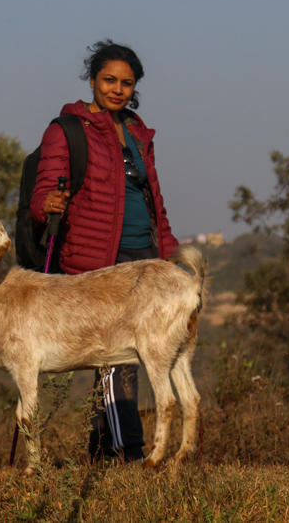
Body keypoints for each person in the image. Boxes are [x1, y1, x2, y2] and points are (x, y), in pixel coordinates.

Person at [30, 39, 179, 463]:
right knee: (118, 356)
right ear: (93, 80)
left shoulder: (137, 132)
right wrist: (47, 204)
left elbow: (155, 201)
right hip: (97, 261)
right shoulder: (66, 129)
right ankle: (128, 450)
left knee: (137, 353)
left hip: (144, 257)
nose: (117, 89)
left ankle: (104, 450)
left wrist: (169, 256)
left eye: (126, 83)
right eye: (109, 80)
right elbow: (44, 189)